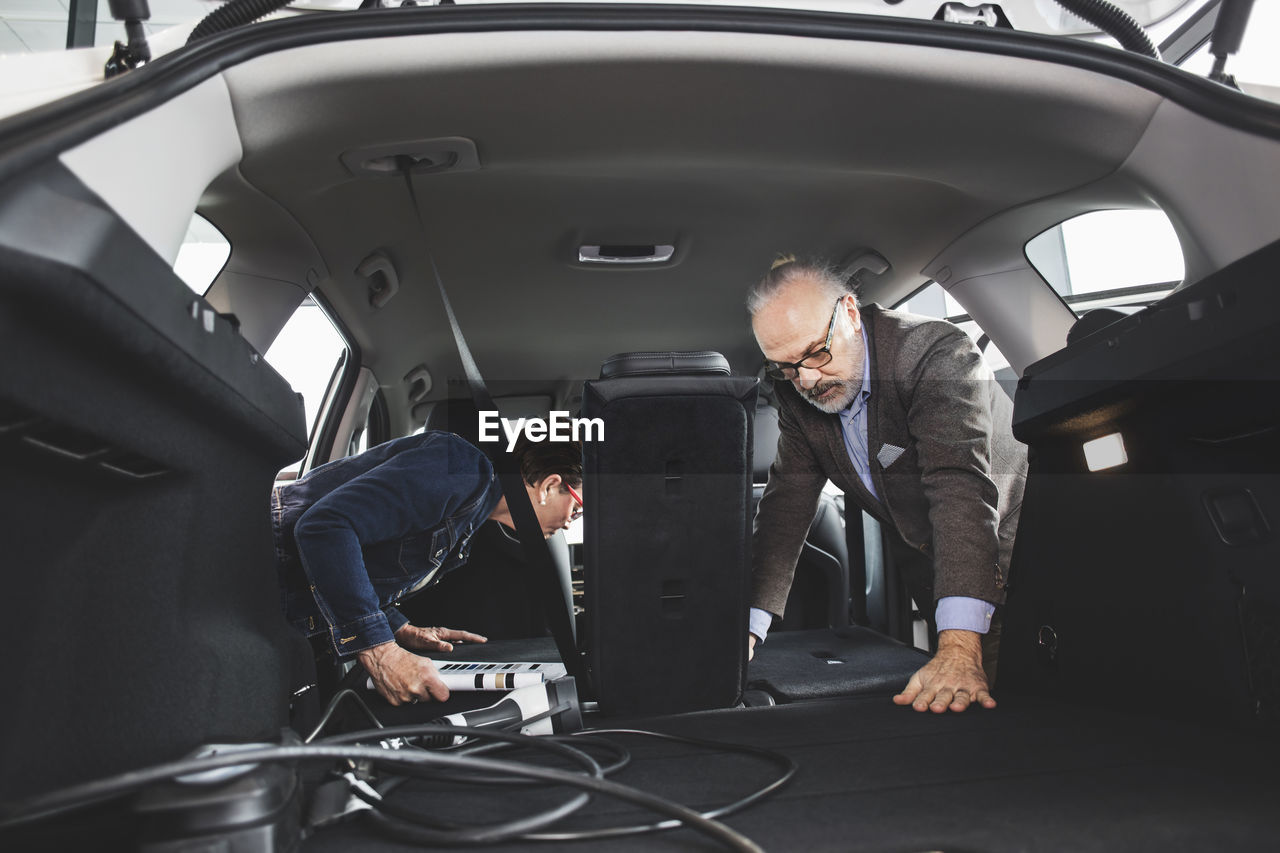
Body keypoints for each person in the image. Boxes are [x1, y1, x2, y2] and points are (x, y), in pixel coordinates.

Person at [747, 256, 1026, 714]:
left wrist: (958, 648)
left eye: (817, 352)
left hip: (1015, 554)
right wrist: (748, 630)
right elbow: (785, 508)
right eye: (787, 367)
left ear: (851, 314)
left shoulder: (933, 353)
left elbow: (958, 487)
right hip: (939, 577)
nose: (808, 379)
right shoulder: (794, 391)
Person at [272, 431, 583, 706]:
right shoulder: (460, 467)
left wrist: (397, 627)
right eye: (577, 508)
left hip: (282, 610)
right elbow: (325, 527)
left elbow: (359, 562)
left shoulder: (469, 522)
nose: (570, 522)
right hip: (250, 573)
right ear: (549, 485)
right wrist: (379, 649)